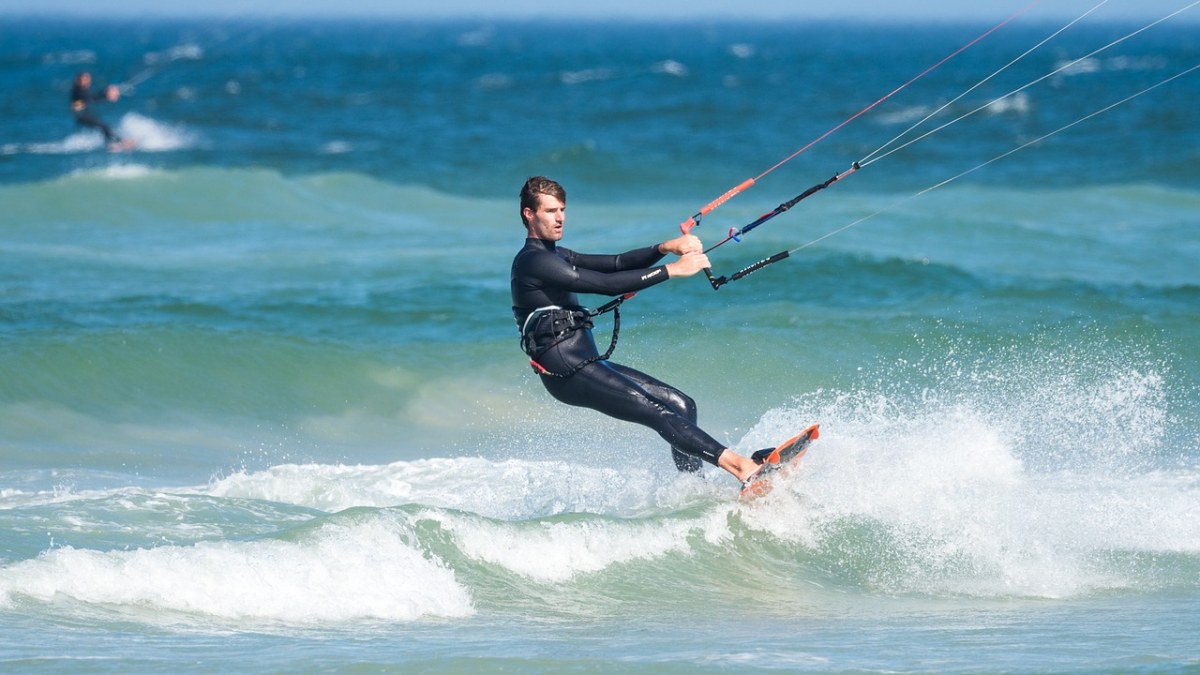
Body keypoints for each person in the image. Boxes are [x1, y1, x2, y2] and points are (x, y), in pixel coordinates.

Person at [510, 175, 769, 487]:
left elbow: (616, 263)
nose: (561, 217)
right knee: (658, 412)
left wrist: (664, 248)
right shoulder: (532, 261)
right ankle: (742, 468)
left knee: (681, 405)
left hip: (585, 361)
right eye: (551, 211)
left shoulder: (558, 254)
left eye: (562, 209)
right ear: (529, 214)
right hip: (565, 369)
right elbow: (604, 286)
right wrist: (672, 270)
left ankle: (694, 487)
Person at [70, 71, 126, 149]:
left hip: (84, 114)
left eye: (89, 79)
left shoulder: (82, 90)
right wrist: (107, 93)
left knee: (102, 127)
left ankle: (113, 143)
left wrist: (107, 94)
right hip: (81, 116)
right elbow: (89, 98)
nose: (88, 81)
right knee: (103, 126)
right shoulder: (78, 90)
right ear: (79, 80)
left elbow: (91, 98)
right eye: (85, 79)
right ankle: (118, 142)